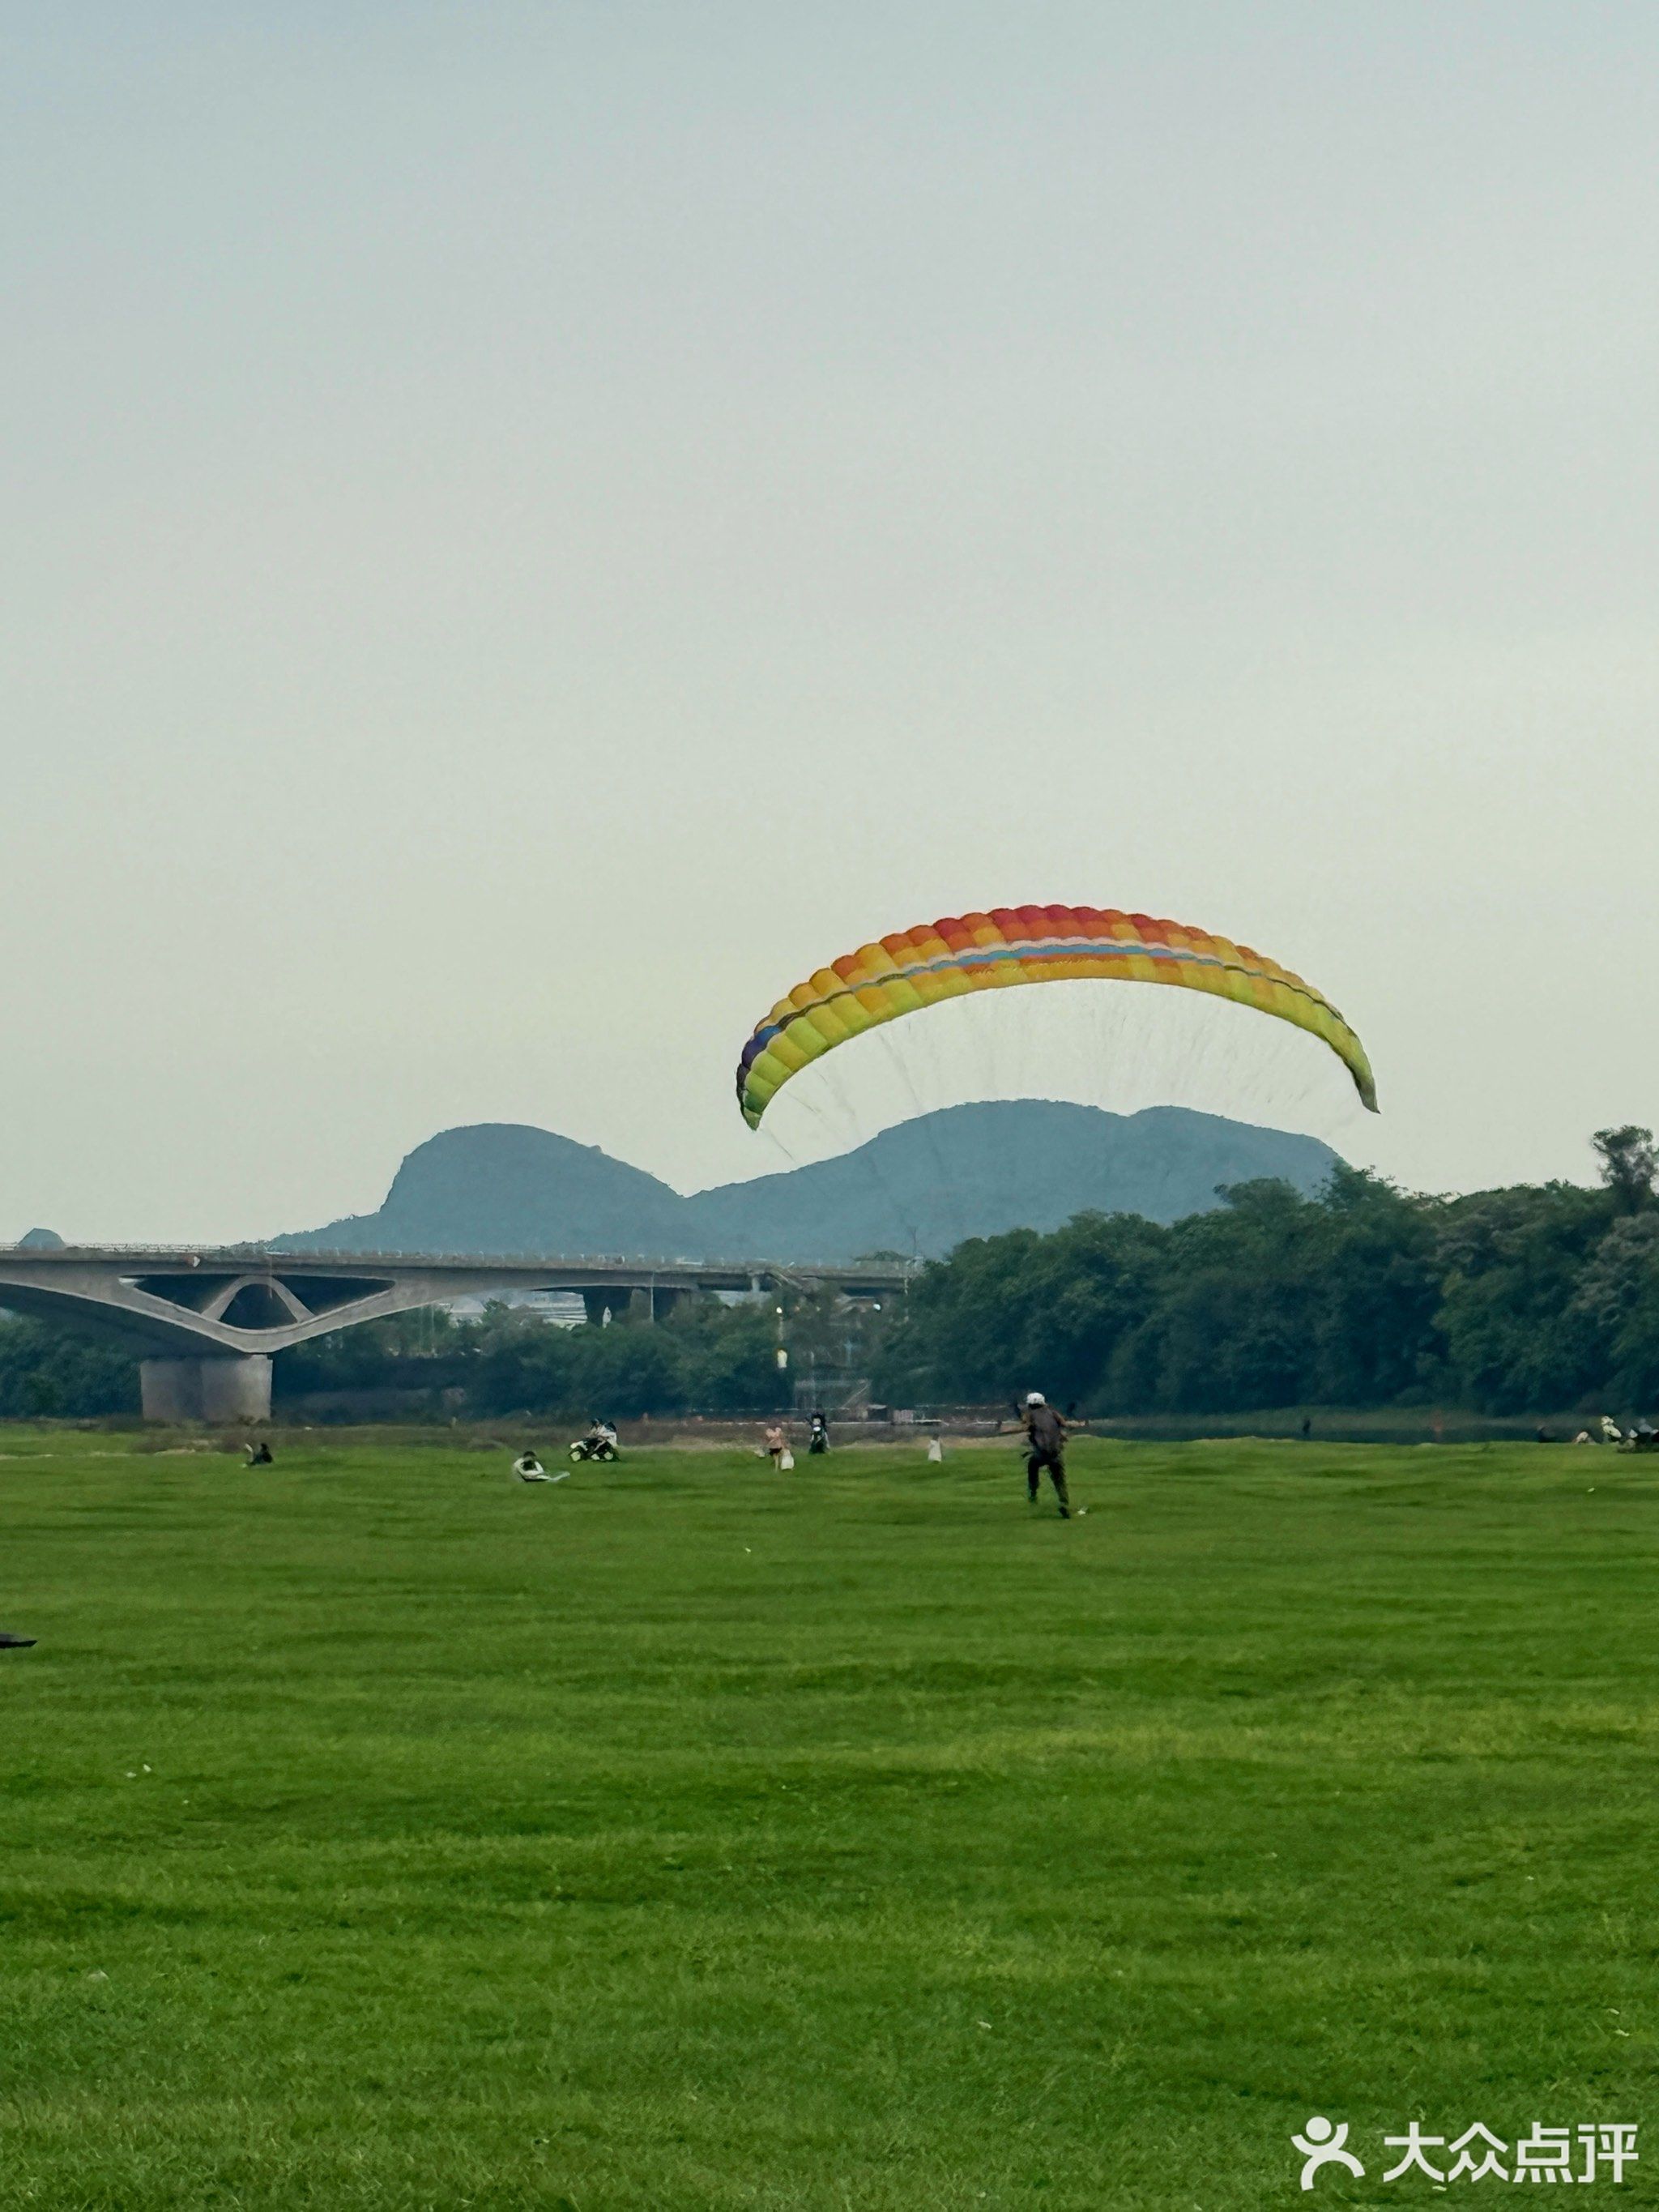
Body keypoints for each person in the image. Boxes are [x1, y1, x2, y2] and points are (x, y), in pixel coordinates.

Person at [1021, 1391, 1071, 1517]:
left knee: (1032, 1467)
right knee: (1059, 1479)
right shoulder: (1053, 1413)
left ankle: (1033, 1492)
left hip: (1040, 1454)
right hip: (1055, 1454)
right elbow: (1064, 1424)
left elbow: (1025, 1426)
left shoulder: (1030, 1415)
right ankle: (1063, 1503)